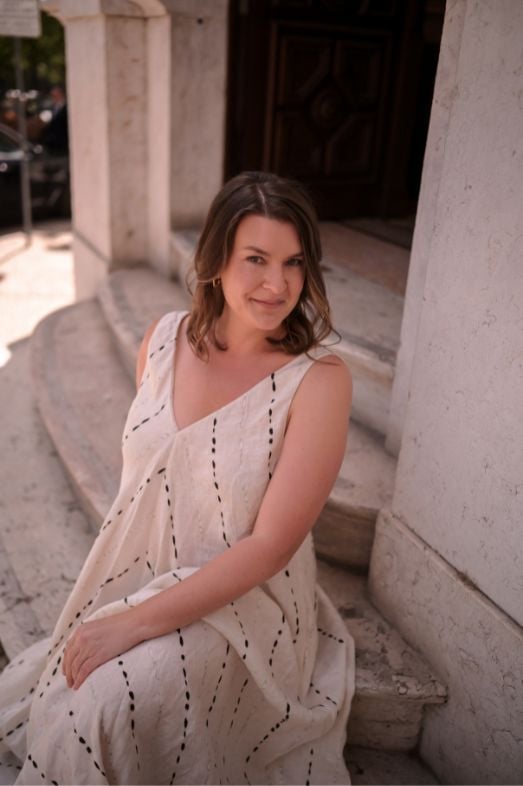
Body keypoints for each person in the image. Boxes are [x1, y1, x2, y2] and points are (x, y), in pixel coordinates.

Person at [0, 171, 356, 785]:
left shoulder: (318, 381)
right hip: (146, 569)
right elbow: (151, 482)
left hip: (247, 607)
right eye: (256, 259)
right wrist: (129, 601)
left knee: (107, 707)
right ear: (215, 259)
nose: (278, 283)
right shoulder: (163, 340)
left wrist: (136, 622)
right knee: (71, 691)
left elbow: (270, 548)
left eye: (294, 262)